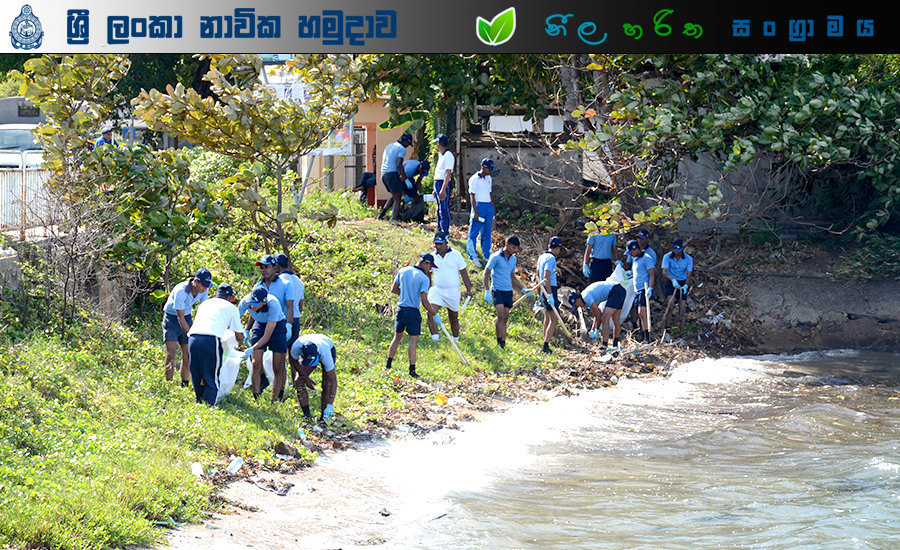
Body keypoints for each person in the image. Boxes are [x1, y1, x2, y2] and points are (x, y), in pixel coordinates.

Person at [386, 253, 443, 379]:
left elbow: (394, 289)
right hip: (413, 312)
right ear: (425, 263)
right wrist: (434, 314)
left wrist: (406, 293)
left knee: (397, 337)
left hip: (401, 309)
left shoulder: (403, 270)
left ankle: (388, 365)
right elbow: (424, 300)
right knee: (413, 341)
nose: (430, 270)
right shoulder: (423, 278)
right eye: (430, 267)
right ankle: (412, 370)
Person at [187, 283, 246, 406]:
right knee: (211, 376)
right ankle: (209, 407)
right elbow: (239, 335)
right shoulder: (231, 307)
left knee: (197, 373)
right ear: (230, 298)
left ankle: (199, 402)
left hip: (193, 339)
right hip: (210, 340)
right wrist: (242, 343)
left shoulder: (205, 303)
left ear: (216, 294)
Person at [162, 268, 213, 386]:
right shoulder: (181, 291)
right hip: (172, 318)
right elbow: (180, 318)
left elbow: (205, 309)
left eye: (207, 286)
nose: (205, 288)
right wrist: (191, 334)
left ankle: (184, 384)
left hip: (187, 317)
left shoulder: (203, 290)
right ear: (195, 281)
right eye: (203, 285)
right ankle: (168, 384)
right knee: (171, 352)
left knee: (188, 354)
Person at [238, 286, 288, 401]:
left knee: (277, 366)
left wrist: (251, 348)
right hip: (259, 324)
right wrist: (244, 331)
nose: (252, 306)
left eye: (255, 304)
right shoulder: (245, 302)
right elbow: (234, 319)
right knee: (256, 363)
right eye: (251, 302)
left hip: (277, 327)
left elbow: (267, 336)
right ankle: (256, 397)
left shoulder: (273, 304)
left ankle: (276, 399)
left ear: (264, 302)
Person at [483, 235, 531, 349]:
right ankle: (498, 340)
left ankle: (503, 343)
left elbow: (512, 276)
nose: (514, 250)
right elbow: (486, 273)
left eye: (516, 249)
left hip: (508, 291)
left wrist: (523, 289)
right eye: (513, 247)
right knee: (500, 315)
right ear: (507, 245)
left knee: (505, 318)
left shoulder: (513, 259)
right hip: (497, 290)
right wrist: (487, 290)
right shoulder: (495, 257)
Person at [426, 231, 473, 342]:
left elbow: (464, 273)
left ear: (446, 243)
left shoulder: (456, 255)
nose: (438, 246)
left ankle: (455, 339)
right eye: (436, 244)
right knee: (431, 312)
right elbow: (428, 274)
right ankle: (435, 340)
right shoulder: (432, 256)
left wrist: (468, 289)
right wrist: (427, 289)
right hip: (437, 290)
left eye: (440, 244)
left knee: (453, 317)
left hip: (453, 291)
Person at [290, 334, 338, 422]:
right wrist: (306, 378)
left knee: (327, 383)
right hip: (309, 352)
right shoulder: (296, 347)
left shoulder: (325, 352)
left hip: (328, 348)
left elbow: (333, 381)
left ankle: (324, 416)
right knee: (299, 381)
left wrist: (330, 404)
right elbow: (294, 362)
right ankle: (307, 415)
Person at [568, 280, 627, 348]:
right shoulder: (586, 298)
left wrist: (597, 329)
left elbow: (599, 316)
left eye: (576, 305)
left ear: (577, 300)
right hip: (620, 289)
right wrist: (592, 329)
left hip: (615, 291)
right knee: (615, 319)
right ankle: (615, 344)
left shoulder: (586, 297)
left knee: (604, 318)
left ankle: (604, 344)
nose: (578, 307)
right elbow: (596, 314)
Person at [466, 158, 497, 267]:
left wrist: (493, 208)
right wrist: (475, 212)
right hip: (479, 205)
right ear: (483, 167)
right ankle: (473, 255)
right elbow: (472, 196)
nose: (491, 171)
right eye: (489, 169)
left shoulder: (489, 178)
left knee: (487, 232)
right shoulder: (474, 179)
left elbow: (490, 193)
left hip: (488, 206)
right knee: (473, 232)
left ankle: (486, 255)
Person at [661, 237, 694, 335]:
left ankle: (681, 334)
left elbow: (689, 274)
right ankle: (667, 331)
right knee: (670, 305)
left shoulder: (688, 259)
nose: (677, 253)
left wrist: (686, 285)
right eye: (675, 251)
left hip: (682, 282)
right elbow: (664, 272)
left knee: (682, 309)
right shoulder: (667, 257)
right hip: (671, 282)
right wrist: (672, 280)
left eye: (679, 251)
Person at [274, 253, 304, 356]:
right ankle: (294, 372)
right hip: (296, 319)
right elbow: (301, 306)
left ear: (277, 265)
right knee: (293, 352)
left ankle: (281, 372)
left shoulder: (279, 280)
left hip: (283, 319)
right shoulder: (299, 282)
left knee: (280, 353)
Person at [537, 236, 563, 354]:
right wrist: (550, 295)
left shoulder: (542, 256)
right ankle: (545, 345)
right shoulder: (551, 258)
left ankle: (545, 341)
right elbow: (546, 276)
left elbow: (537, 275)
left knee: (547, 317)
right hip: (549, 288)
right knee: (554, 319)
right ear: (557, 248)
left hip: (543, 289)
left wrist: (539, 293)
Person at [627, 239, 656, 342]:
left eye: (632, 252)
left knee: (642, 312)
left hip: (644, 288)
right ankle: (643, 334)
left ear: (636, 249)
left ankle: (648, 336)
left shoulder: (646, 258)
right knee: (639, 314)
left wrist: (650, 288)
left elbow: (652, 274)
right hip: (637, 289)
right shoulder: (635, 259)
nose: (631, 254)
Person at [379, 132, 413, 221]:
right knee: (397, 199)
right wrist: (406, 179)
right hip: (391, 174)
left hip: (383, 174)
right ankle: (394, 219)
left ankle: (381, 215)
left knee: (395, 196)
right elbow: (399, 165)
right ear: (405, 141)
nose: (407, 146)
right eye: (408, 144)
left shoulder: (389, 146)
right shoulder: (401, 149)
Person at [433, 133, 455, 234]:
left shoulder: (448, 155)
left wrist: (443, 188)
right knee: (439, 208)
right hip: (438, 183)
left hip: (443, 183)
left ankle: (445, 232)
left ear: (439, 143)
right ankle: (439, 230)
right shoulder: (441, 155)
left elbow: (448, 173)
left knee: (443, 208)